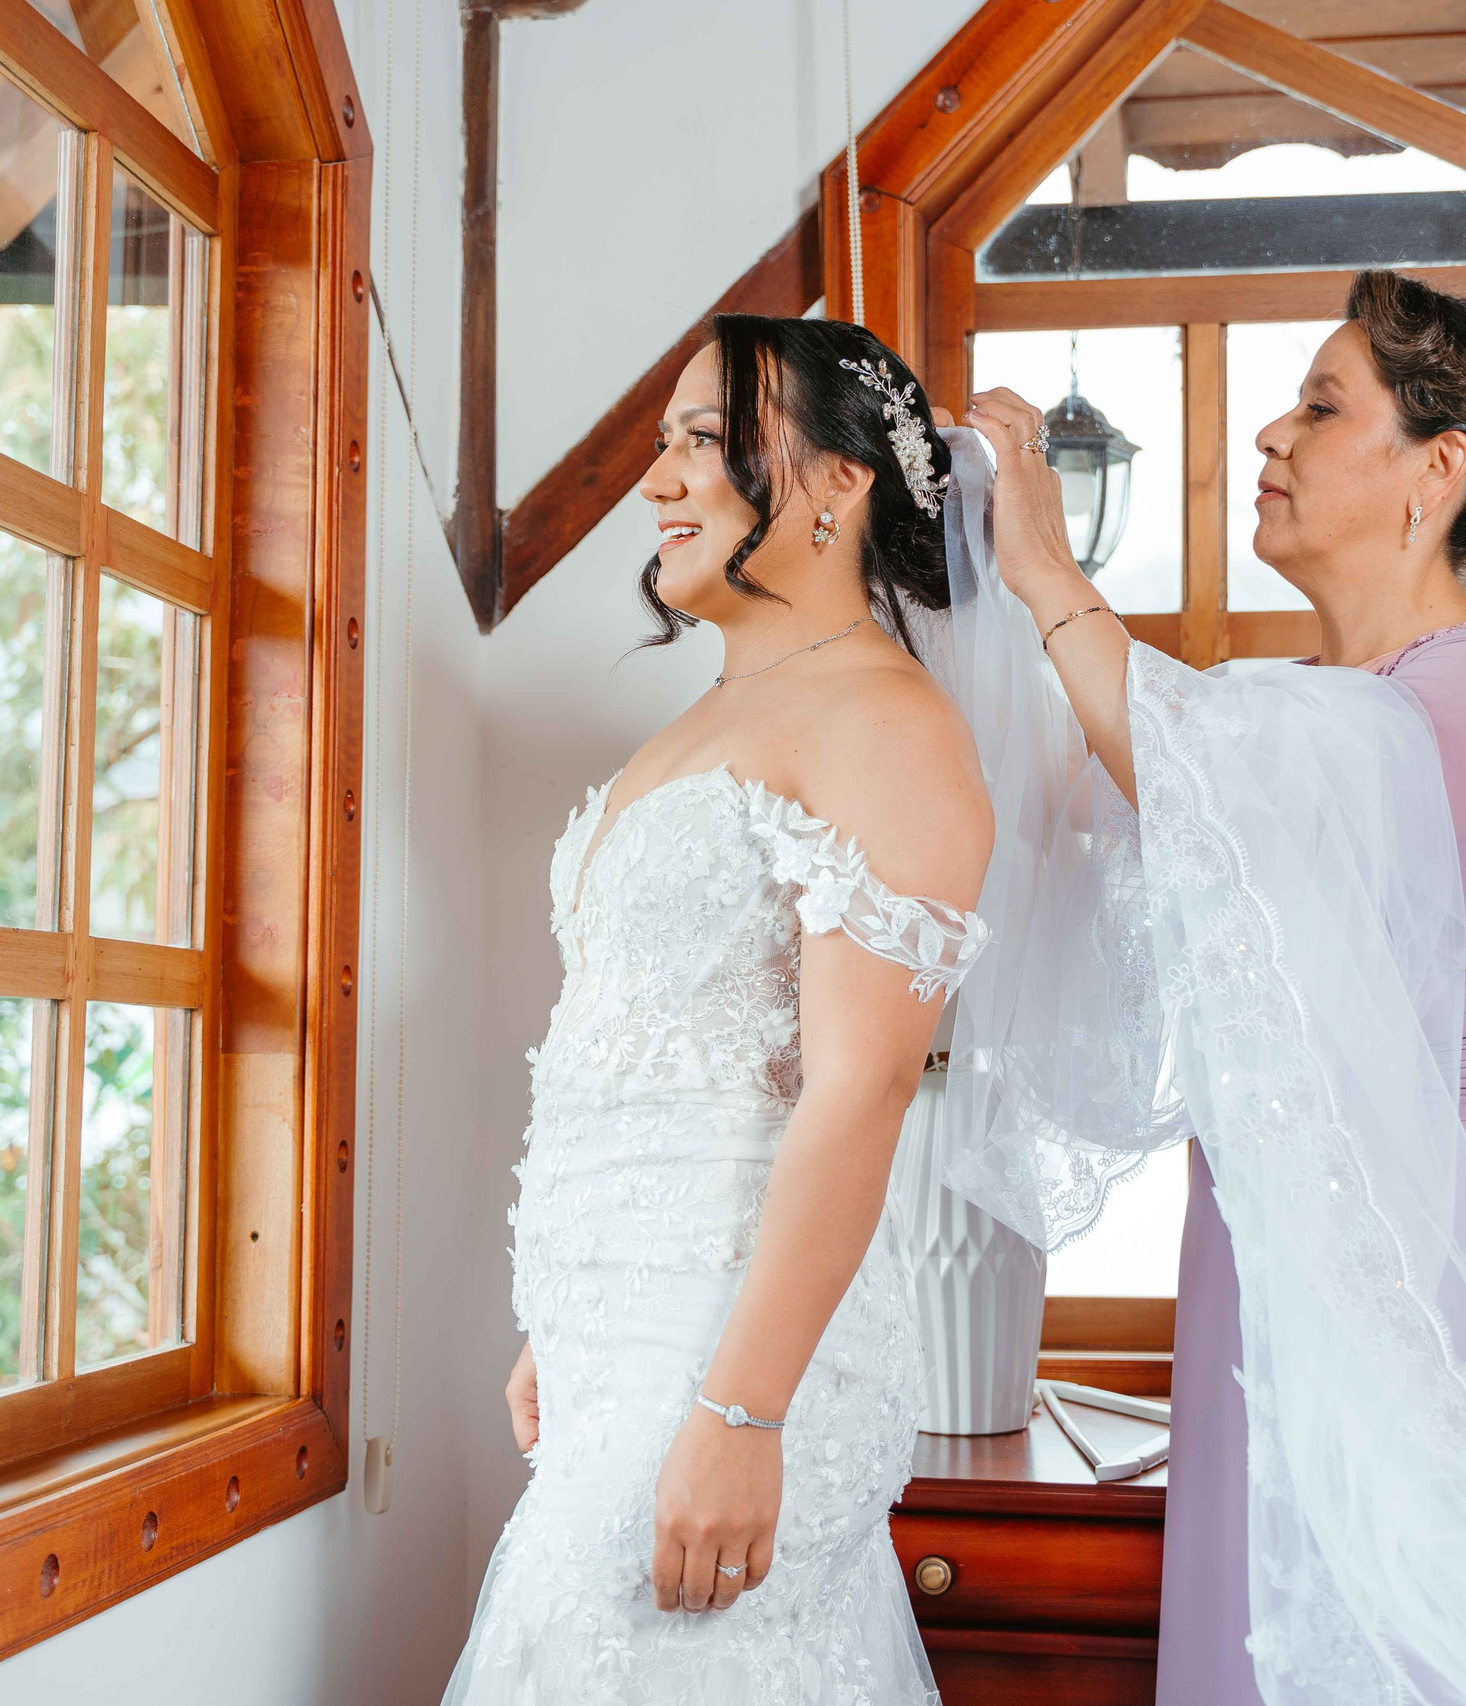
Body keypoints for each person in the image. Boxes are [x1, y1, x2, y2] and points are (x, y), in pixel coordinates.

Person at [947, 269, 1466, 1706]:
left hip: (1449, 1278)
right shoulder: (1277, 710)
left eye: (1319, 406)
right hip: (1258, 1274)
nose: (1268, 439)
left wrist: (1054, 565)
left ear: (1440, 467)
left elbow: (1219, 785)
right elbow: (1098, 825)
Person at [443, 315, 990, 1705]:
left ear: (836, 483)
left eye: (703, 440)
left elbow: (858, 1090)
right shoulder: (699, 725)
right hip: (628, 1336)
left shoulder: (889, 725)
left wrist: (742, 1410)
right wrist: (566, 1313)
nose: (658, 482)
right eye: (664, 444)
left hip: (744, 1365)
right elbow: (652, 1050)